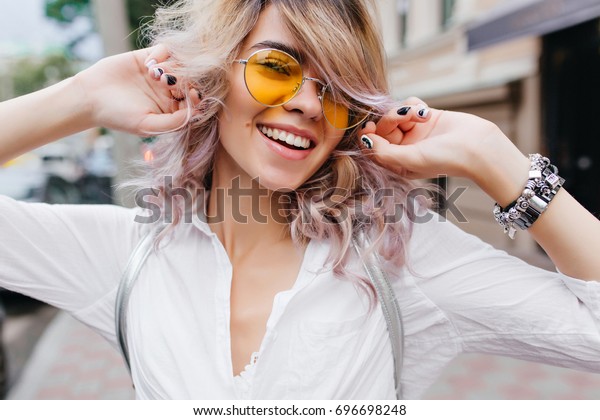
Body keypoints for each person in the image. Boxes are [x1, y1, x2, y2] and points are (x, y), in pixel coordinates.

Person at [0, 0, 598, 400]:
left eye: (335, 90)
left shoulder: (401, 261)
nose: (310, 105)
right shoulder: (124, 256)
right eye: (276, 68)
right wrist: (79, 99)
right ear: (214, 78)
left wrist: (501, 163)